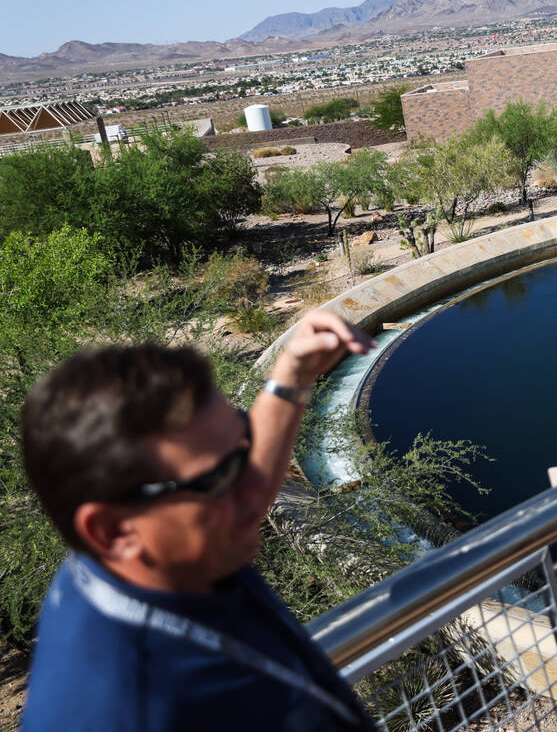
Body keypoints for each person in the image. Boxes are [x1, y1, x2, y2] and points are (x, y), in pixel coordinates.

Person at [19, 310, 379, 731]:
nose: (255, 485)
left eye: (243, 443)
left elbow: (234, 476)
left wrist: (292, 376)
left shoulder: (141, 561)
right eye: (220, 477)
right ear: (113, 531)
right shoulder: (125, 711)